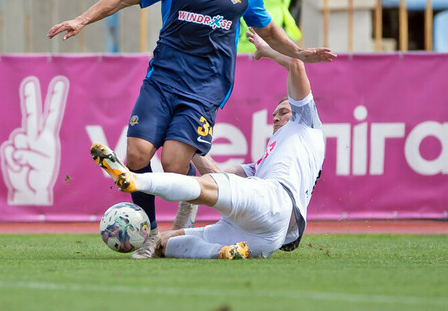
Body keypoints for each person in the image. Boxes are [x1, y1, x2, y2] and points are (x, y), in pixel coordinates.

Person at [48, 0, 335, 258]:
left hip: (204, 90)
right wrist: (82, 20)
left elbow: (270, 30)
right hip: (162, 80)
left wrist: (299, 52)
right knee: (136, 153)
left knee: (173, 162)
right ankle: (151, 233)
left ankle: (186, 203)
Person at [90, 27, 325, 259]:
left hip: (276, 201)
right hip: (266, 236)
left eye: (283, 112)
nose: (276, 117)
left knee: (205, 188)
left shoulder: (306, 124)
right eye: (274, 114)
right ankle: (220, 252)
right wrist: (185, 139)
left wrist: (267, 50)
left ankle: (136, 180)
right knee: (165, 244)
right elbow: (218, 177)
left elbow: (296, 64)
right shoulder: (266, 161)